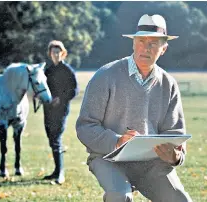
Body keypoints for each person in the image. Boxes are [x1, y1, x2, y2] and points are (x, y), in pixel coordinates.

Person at [76, 14, 193, 202]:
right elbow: (85, 127)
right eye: (141, 41)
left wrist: (175, 155)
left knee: (180, 200)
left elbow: (175, 132)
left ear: (164, 48)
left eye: (153, 43)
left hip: (151, 163)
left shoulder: (168, 84)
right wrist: (117, 141)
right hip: (108, 158)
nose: (145, 48)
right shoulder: (105, 76)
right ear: (133, 43)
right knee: (119, 196)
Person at [43, 40, 79, 184]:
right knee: (52, 139)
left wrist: (60, 99)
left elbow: (74, 90)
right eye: (53, 52)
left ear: (63, 53)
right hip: (48, 110)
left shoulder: (68, 70)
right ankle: (56, 171)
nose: (56, 54)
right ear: (50, 54)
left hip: (61, 110)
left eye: (58, 52)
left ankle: (60, 174)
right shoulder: (48, 70)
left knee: (56, 138)